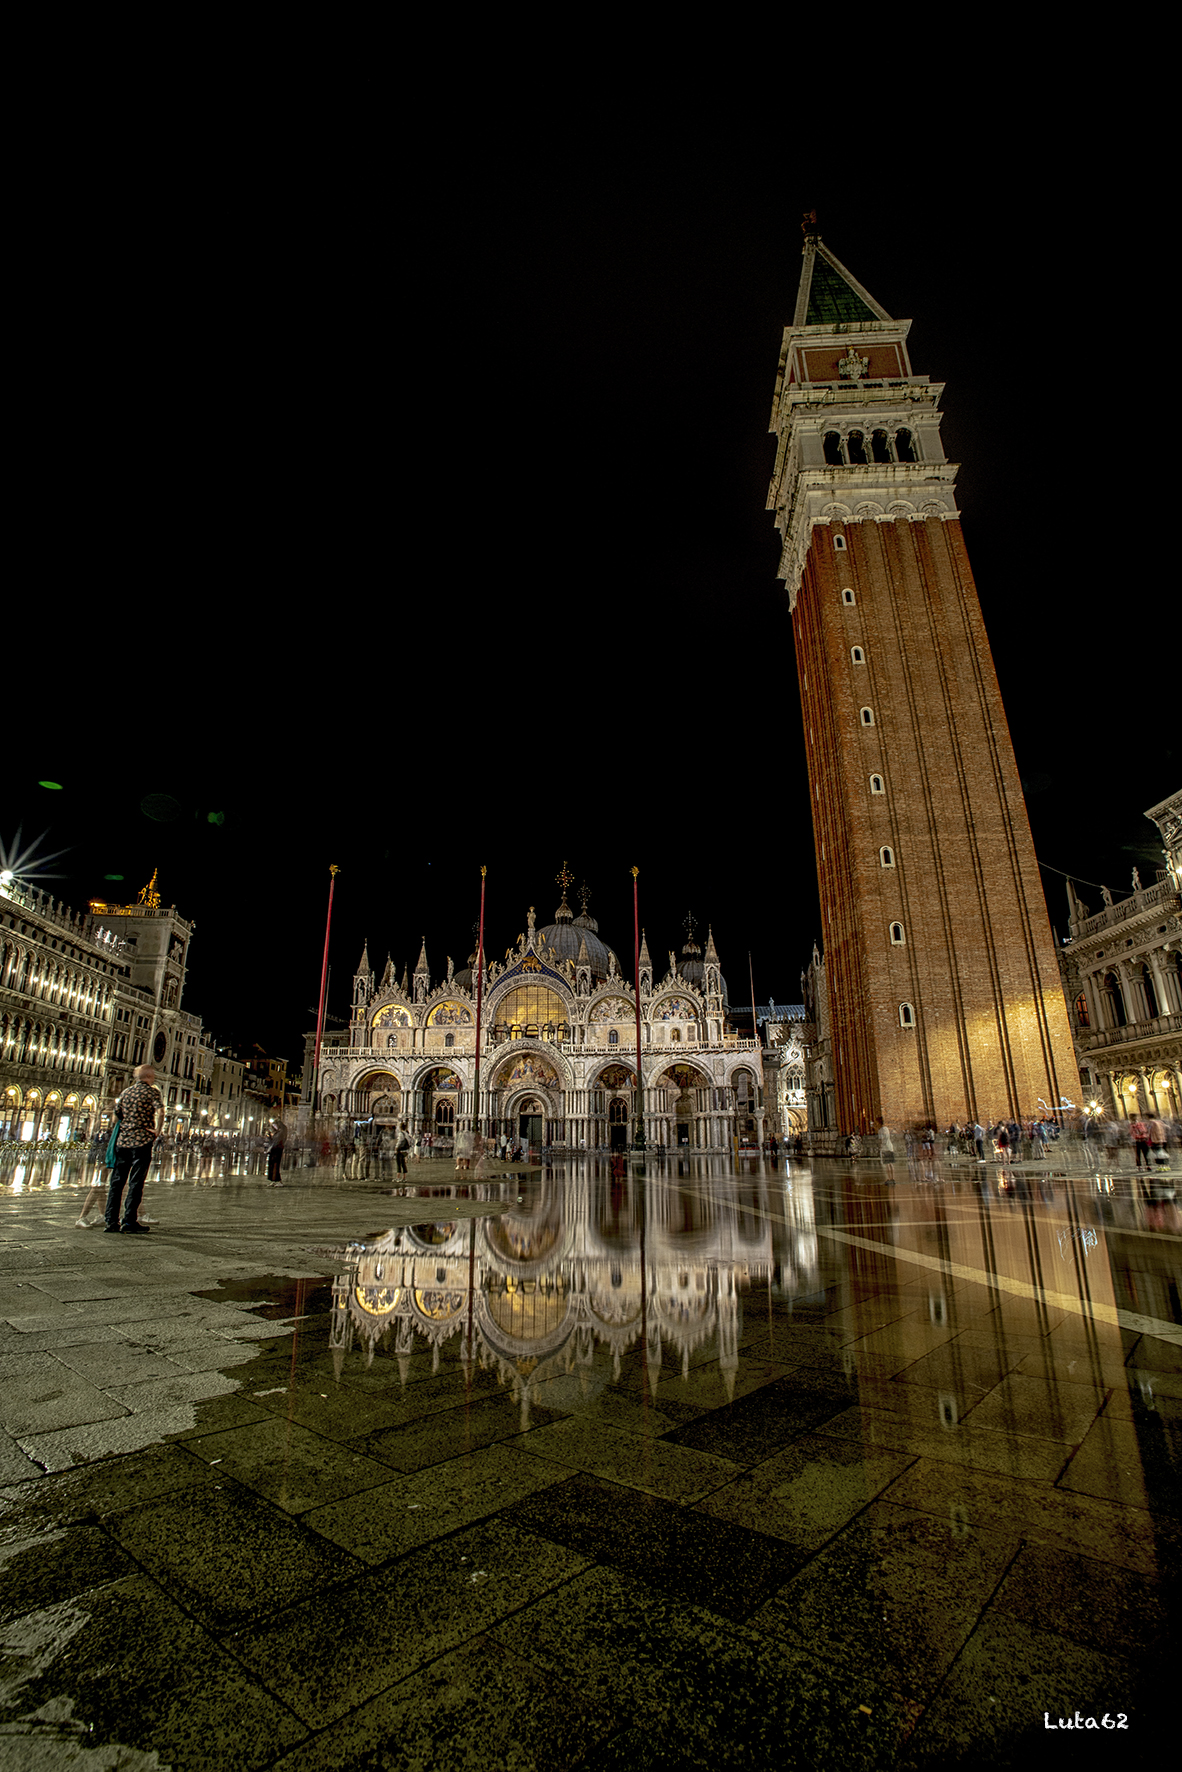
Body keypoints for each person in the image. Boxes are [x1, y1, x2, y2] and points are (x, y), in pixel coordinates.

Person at [105, 1065, 163, 1234]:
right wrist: (157, 1130)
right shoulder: (152, 1092)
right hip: (142, 1142)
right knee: (136, 1183)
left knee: (116, 1183)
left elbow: (116, 1116)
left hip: (123, 1142)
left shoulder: (126, 1092)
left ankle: (111, 1221)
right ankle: (129, 1221)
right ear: (149, 1076)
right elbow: (160, 1111)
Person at [265, 1113, 288, 1186]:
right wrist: (269, 1136)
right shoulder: (276, 1133)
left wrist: (278, 1120)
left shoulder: (282, 1132)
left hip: (277, 1149)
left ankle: (278, 1180)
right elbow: (272, 1141)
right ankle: (273, 1179)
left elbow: (277, 1141)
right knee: (272, 1164)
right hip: (273, 1149)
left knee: (276, 1165)